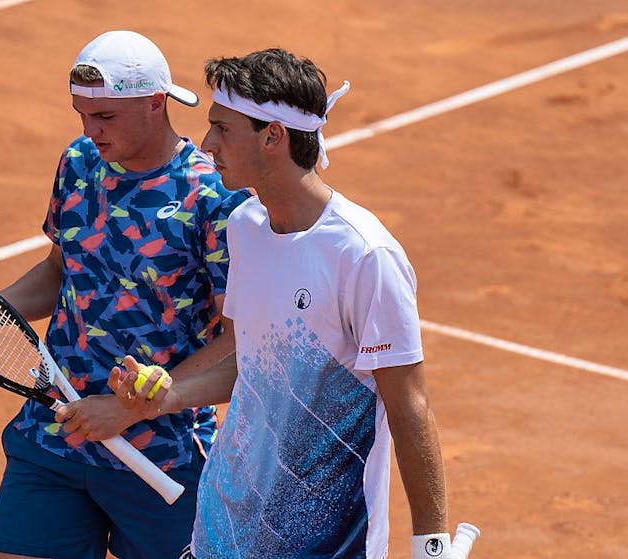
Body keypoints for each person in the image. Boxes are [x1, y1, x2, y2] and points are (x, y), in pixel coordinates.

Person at [111, 48, 463, 559]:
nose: (206, 144)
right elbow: (252, 365)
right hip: (223, 528)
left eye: (223, 129)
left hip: (325, 543)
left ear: (272, 136)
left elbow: (409, 406)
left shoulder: (364, 255)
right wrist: (167, 395)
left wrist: (431, 544)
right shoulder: (245, 227)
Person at [0, 30, 250, 559]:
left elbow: (238, 339)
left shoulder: (213, 196)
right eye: (82, 113)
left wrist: (132, 408)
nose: (89, 129)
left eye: (105, 117)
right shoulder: (78, 163)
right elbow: (62, 271)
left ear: (155, 104)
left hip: (163, 452)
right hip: (58, 428)